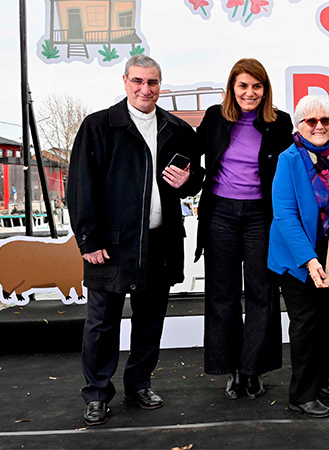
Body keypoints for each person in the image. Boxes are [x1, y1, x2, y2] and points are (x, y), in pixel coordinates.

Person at [67, 54, 203, 426]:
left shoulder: (175, 128)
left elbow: (196, 175)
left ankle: (139, 383)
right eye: (138, 81)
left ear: (161, 85)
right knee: (102, 323)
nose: (146, 89)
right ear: (124, 81)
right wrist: (89, 240)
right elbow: (80, 187)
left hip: (159, 243)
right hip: (110, 245)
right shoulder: (99, 126)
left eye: (153, 82)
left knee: (149, 321)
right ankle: (96, 394)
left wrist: (189, 183)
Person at [195, 58, 293, 400]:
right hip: (220, 213)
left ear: (265, 90)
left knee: (261, 293)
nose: (249, 93)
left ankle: (253, 370)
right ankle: (232, 370)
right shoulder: (214, 117)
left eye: (257, 86)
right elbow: (193, 162)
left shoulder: (279, 122)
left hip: (260, 216)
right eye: (243, 86)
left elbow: (290, 168)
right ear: (231, 88)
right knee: (222, 294)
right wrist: (184, 179)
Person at [268, 95, 329, 418]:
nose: (320, 126)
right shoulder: (288, 160)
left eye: (326, 120)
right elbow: (284, 215)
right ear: (299, 126)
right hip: (298, 257)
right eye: (312, 121)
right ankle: (301, 394)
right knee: (307, 324)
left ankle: (320, 380)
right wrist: (308, 260)